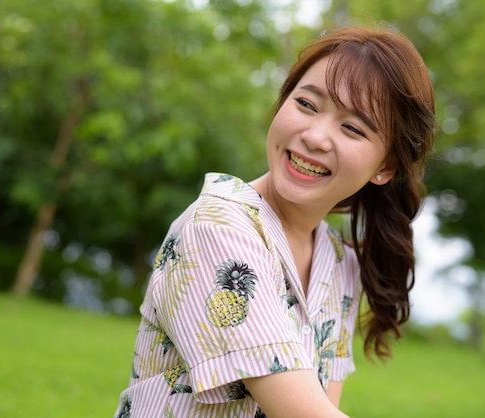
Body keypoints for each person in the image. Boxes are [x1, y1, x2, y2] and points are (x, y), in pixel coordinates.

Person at [114, 25, 436, 417]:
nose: (315, 137)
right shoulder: (216, 227)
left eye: (352, 128)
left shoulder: (339, 264)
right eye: (306, 104)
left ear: (385, 167)